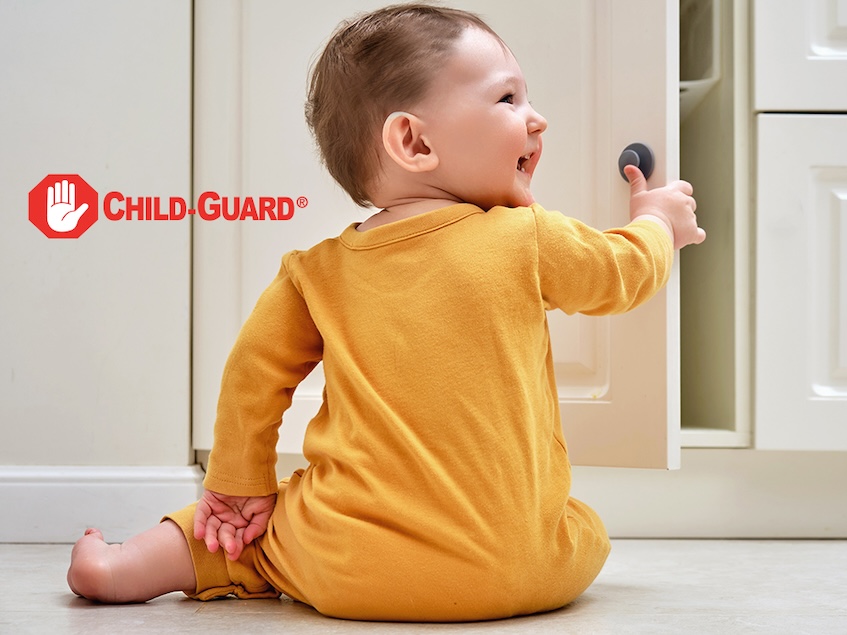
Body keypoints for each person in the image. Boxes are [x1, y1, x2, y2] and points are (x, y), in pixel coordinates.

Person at [67, 3, 705, 622]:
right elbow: (623, 275)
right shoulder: (527, 237)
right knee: (579, 524)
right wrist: (656, 223)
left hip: (351, 566)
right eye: (509, 99)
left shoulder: (313, 273)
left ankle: (119, 569)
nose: (537, 120)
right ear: (413, 140)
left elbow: (252, 378)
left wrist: (240, 484)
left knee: (250, 533)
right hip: (530, 570)